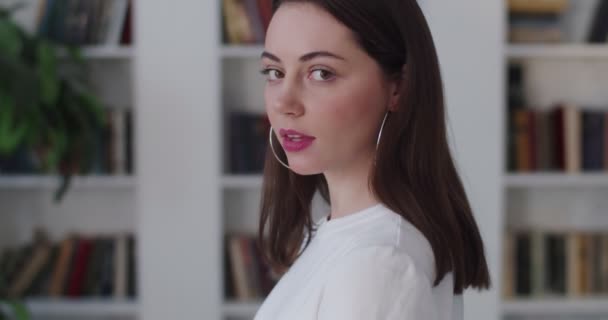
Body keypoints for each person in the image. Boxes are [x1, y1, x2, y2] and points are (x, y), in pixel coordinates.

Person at [254, 0, 491, 319]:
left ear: (398, 88)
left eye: (321, 73)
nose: (284, 102)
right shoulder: (347, 238)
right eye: (275, 72)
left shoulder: (377, 263)